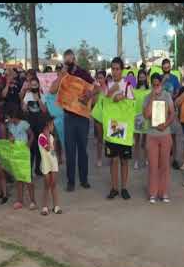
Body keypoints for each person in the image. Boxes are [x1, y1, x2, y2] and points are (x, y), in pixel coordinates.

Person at [50, 49, 95, 192]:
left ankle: (84, 179)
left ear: (74, 60)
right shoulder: (63, 74)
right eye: (66, 61)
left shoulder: (83, 73)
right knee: (70, 150)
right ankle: (71, 181)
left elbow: (97, 88)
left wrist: (90, 94)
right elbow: (52, 90)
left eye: (70, 61)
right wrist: (61, 75)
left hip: (82, 118)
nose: (69, 64)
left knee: (82, 149)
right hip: (68, 117)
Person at [143, 73, 175, 203]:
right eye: (154, 84)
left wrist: (165, 124)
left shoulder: (167, 96)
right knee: (153, 165)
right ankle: (153, 193)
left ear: (161, 84)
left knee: (164, 165)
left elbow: (172, 114)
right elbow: (146, 115)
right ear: (151, 84)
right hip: (152, 135)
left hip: (165, 134)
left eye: (158, 84)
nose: (156, 86)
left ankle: (164, 192)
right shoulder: (147, 97)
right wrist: (152, 97)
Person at [105, 57, 135, 200]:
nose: (115, 71)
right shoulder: (108, 84)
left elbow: (133, 105)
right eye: (113, 68)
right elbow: (104, 101)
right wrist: (112, 92)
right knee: (113, 160)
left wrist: (123, 97)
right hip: (112, 126)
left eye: (117, 69)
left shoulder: (128, 85)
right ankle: (114, 188)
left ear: (122, 70)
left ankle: (124, 188)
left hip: (124, 127)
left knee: (124, 159)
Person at [7, 107, 37, 210]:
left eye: (9, 117)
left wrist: (28, 144)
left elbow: (31, 135)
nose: (8, 119)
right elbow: (10, 137)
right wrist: (10, 140)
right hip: (16, 153)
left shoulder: (24, 124)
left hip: (24, 153)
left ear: (13, 117)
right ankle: (20, 200)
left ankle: (33, 201)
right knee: (18, 178)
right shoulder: (10, 126)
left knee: (27, 178)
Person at [160, 58, 182, 170]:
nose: (166, 70)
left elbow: (178, 91)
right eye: (164, 68)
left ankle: (175, 159)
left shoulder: (174, 78)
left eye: (168, 68)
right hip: (160, 110)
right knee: (162, 134)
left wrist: (174, 96)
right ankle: (163, 160)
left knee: (173, 135)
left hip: (171, 109)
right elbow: (155, 91)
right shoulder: (159, 78)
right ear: (162, 68)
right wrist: (162, 81)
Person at [38, 116, 62, 215]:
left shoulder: (52, 137)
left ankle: (56, 206)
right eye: (52, 124)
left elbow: (53, 150)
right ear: (46, 126)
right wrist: (48, 137)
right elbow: (48, 149)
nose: (53, 126)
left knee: (54, 185)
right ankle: (45, 207)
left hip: (53, 163)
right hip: (46, 165)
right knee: (46, 185)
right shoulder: (41, 137)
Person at [133, 69, 149, 170]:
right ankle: (136, 161)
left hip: (146, 118)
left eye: (143, 76)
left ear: (146, 78)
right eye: (140, 76)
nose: (142, 78)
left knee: (146, 141)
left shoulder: (150, 90)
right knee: (137, 141)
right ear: (138, 78)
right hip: (137, 118)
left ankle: (146, 159)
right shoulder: (134, 90)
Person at [93, 70, 109, 167]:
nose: (100, 80)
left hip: (108, 116)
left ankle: (108, 155)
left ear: (105, 78)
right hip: (98, 116)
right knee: (100, 138)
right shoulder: (96, 89)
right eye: (98, 78)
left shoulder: (109, 88)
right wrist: (96, 92)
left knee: (108, 138)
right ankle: (99, 158)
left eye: (101, 78)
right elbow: (93, 102)